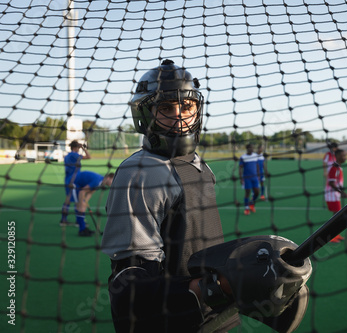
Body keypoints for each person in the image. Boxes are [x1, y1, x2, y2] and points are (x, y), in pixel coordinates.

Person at [100, 60, 241, 332]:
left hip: (214, 315)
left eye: (187, 106)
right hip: (171, 321)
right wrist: (215, 287)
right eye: (166, 108)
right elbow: (131, 281)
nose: (179, 116)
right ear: (146, 114)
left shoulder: (198, 164)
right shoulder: (141, 172)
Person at [70, 171, 114, 236]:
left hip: (80, 184)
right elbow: (82, 192)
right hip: (74, 183)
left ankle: (82, 227)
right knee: (80, 207)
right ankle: (82, 230)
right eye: (112, 180)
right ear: (108, 178)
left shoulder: (101, 183)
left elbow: (90, 192)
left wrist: (85, 203)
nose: (112, 183)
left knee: (82, 207)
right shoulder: (97, 181)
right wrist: (82, 203)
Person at [60, 140, 91, 226]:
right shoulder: (74, 155)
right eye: (78, 147)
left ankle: (63, 220)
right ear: (75, 147)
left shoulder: (67, 156)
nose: (78, 149)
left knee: (68, 200)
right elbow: (88, 157)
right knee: (78, 200)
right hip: (74, 180)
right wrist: (83, 148)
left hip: (67, 179)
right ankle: (78, 221)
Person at [325, 149, 347, 243]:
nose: (345, 158)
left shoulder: (338, 167)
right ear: (338, 156)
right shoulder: (334, 167)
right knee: (336, 216)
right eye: (343, 156)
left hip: (335, 195)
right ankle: (330, 236)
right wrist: (341, 192)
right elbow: (331, 183)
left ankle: (335, 234)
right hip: (332, 195)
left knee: (337, 216)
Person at [239, 143, 260, 215]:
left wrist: (259, 175)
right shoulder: (243, 157)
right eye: (250, 148)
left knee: (257, 192)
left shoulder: (255, 156)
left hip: (255, 177)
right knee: (247, 193)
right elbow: (240, 168)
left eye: (252, 148)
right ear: (247, 148)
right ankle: (246, 208)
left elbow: (257, 165)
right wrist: (241, 178)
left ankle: (251, 203)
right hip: (247, 178)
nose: (252, 149)